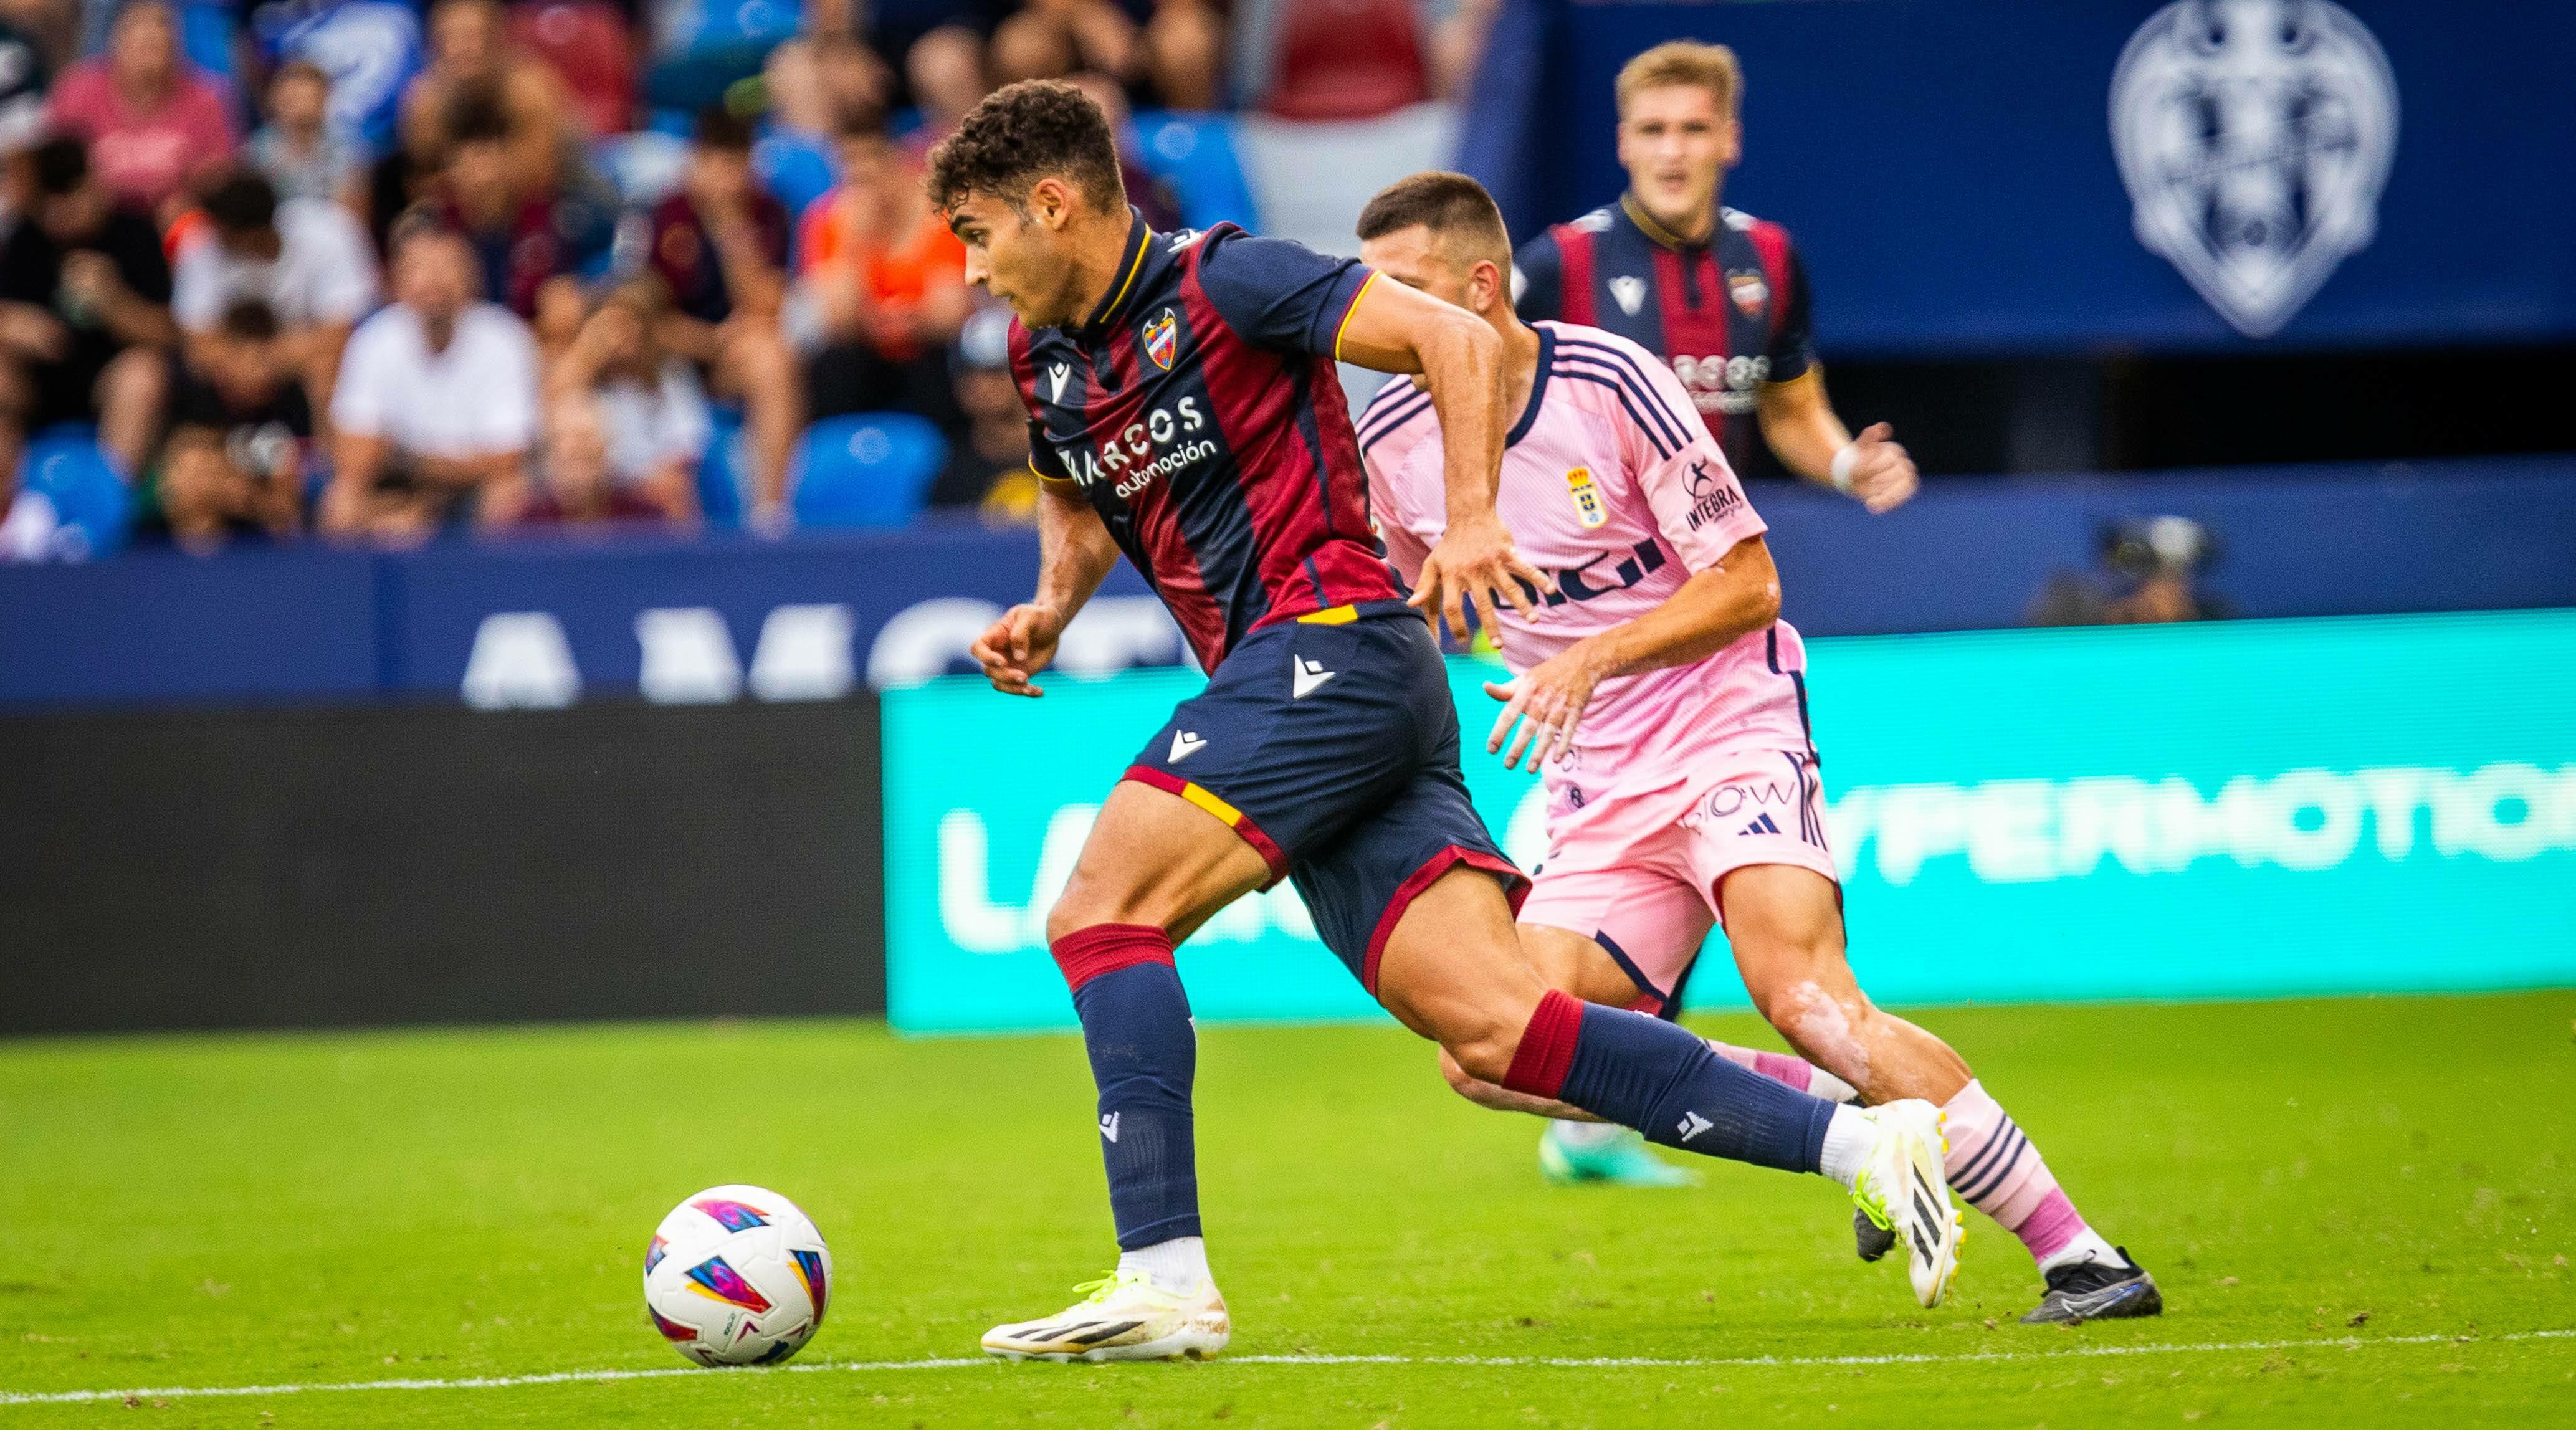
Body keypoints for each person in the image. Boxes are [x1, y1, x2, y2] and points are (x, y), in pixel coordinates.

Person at [931, 80, 1963, 1363]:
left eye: (976, 232)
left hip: (1330, 645)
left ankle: (1166, 1278)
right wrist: (1049, 605)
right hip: (1336, 693)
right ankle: (1868, 1141)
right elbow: (1078, 492)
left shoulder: (1231, 284)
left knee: (1099, 915)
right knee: (1504, 1031)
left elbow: (1460, 343)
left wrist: (1471, 514)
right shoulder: (1047, 355)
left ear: (1053, 203)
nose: (971, 270)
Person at [1356, 171, 2162, 1327]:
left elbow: (1749, 584)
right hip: (1592, 777)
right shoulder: (1387, 434)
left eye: (1405, 288)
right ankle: (1854, 1126)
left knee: (1803, 995)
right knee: (1489, 1050)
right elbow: (1407, 594)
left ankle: (2083, 1259)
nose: (1376, 319)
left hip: (1722, 719)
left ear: (1479, 288)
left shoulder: (1609, 382)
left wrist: (1585, 659)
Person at [1513, 42, 1915, 513]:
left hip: (1715, 556)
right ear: (1624, 143)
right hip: (1591, 565)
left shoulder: (1772, 257)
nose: (1672, 152)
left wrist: (1848, 466)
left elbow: (1792, 411)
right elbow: (1469, 387)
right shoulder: (1557, 262)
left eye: (1695, 129)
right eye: (1652, 130)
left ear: (1730, 140)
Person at [323, 214, 537, 540]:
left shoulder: (505, 338)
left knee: (509, 497)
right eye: (421, 268)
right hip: (398, 490)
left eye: (447, 267)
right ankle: (345, 591)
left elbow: (506, 460)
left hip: (471, 493)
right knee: (342, 500)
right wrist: (406, 497)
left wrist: (412, 465)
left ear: (472, 279)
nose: (434, 281)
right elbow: (355, 455)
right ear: (398, 281)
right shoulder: (373, 339)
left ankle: (496, 590)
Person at [647, 107, 799, 531]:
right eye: (715, 162)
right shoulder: (665, 215)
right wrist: (711, 340)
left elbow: (767, 307)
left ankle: (770, 514)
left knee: (771, 355)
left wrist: (729, 232)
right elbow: (647, 319)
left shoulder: (769, 211)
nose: (726, 177)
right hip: (673, 355)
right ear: (696, 161)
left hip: (733, 357)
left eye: (736, 163)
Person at [0, 135, 172, 484]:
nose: (61, 216)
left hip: (106, 379)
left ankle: (107, 504)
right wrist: (10, 323)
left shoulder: (135, 233)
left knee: (143, 375)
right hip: (40, 381)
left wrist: (114, 303)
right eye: (49, 206)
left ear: (93, 186)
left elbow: (169, 335)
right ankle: (12, 511)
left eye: (71, 200)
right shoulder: (25, 239)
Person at [794, 117, 970, 422]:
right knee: (835, 366)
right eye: (854, 178)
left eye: (873, 174)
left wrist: (910, 319)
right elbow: (839, 320)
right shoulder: (826, 221)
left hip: (928, 347)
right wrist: (855, 246)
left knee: (946, 367)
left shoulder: (941, 218)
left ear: (897, 166)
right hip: (863, 349)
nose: (865, 188)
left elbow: (952, 313)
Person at [174, 170, 379, 429]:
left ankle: (330, 464)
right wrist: (244, 364)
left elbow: (338, 337)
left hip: (306, 360)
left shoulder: (329, 231)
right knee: (197, 372)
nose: (211, 234)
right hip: (240, 368)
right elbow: (199, 344)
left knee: (328, 369)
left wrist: (262, 362)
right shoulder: (200, 244)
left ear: (249, 234)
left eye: (220, 230)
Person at [42, 0, 234, 221]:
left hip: (175, 223)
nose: (152, 34)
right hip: (96, 222)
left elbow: (220, 177)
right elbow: (55, 175)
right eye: (139, 26)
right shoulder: (77, 91)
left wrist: (190, 199)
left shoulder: (206, 97)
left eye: (162, 25)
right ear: (115, 37)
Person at [543, 275, 707, 524]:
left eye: (630, 323)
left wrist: (633, 484)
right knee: (578, 478)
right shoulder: (584, 380)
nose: (621, 336)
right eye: (610, 326)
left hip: (643, 488)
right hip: (595, 486)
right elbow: (550, 414)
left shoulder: (672, 378)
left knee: (675, 495)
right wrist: (589, 349)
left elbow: (680, 463)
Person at [158, 297, 310, 552]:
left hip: (262, 529)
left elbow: (287, 508)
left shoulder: (289, 399)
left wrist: (245, 497)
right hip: (207, 524)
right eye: (252, 360)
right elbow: (183, 482)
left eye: (267, 359)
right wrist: (223, 484)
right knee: (192, 481)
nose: (262, 372)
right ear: (227, 354)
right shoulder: (199, 395)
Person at [515, 395, 681, 529]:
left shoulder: (645, 520)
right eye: (564, 438)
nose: (577, 448)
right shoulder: (527, 526)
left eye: (587, 436)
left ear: (608, 446)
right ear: (549, 452)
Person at [246, 59, 368, 210]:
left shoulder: (347, 143)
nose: (300, 106)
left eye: (307, 97)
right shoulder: (258, 149)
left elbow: (351, 211)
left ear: (324, 99)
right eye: (292, 99)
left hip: (333, 227)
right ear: (275, 99)